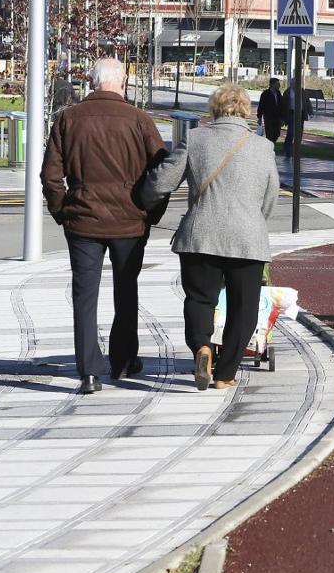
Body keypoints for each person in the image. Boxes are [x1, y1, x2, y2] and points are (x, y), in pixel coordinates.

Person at [41, 57, 168, 394]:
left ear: (91, 82)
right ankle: (123, 360)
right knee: (126, 290)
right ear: (123, 82)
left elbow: (51, 175)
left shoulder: (68, 118)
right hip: (130, 221)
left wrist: (62, 211)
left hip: (83, 219)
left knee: (84, 295)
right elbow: (162, 173)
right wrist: (151, 212)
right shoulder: (139, 120)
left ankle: (89, 372)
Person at [143, 84, 280, 391]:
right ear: (245, 110)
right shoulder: (263, 147)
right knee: (244, 307)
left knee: (199, 299)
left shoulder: (195, 139)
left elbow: (162, 182)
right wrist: (254, 221)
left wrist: (143, 198)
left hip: (201, 235)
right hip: (247, 238)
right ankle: (225, 374)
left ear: (214, 109)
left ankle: (202, 346)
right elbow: (271, 196)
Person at [282, 82, 310, 159]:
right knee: (291, 132)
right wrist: (283, 116)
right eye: (294, 83)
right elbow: (284, 103)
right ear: (291, 84)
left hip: (301, 113)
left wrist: (309, 111)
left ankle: (296, 150)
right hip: (291, 113)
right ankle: (288, 149)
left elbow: (307, 101)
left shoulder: (302, 91)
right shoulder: (288, 92)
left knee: (299, 133)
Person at [256, 77, 284, 144]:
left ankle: (272, 144)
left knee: (276, 134)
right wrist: (259, 117)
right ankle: (270, 147)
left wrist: (282, 118)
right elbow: (261, 105)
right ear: (272, 84)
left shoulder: (278, 93)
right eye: (277, 84)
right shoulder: (265, 94)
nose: (279, 86)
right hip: (269, 117)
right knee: (269, 134)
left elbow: (281, 105)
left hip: (277, 117)